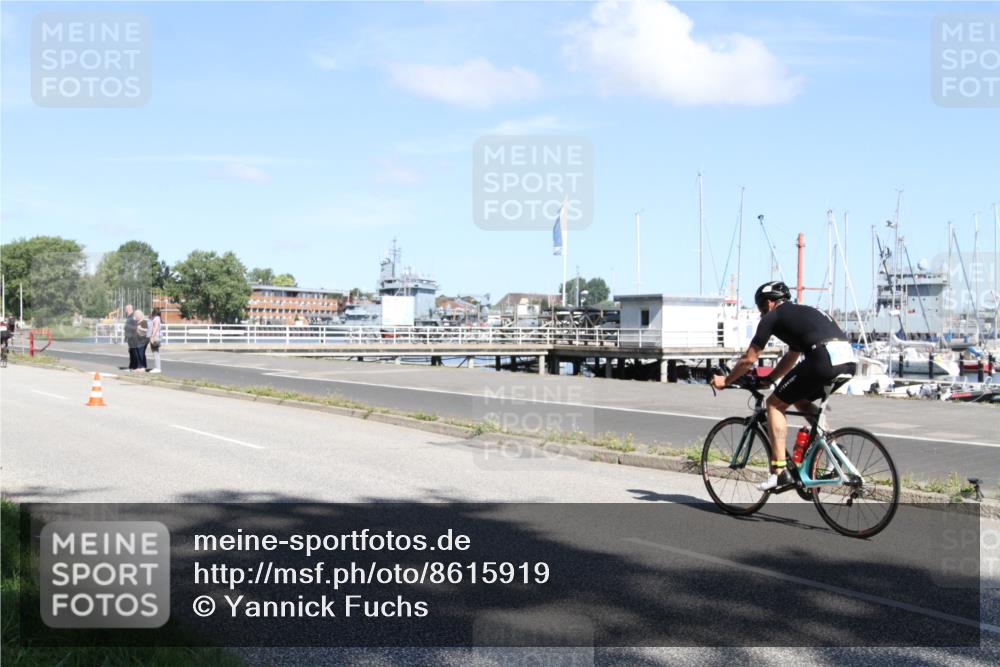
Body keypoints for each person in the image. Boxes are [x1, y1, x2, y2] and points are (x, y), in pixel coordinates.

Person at [710, 281, 857, 491]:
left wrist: (726, 380)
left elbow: (749, 359)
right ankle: (833, 447)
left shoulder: (774, 316)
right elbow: (792, 356)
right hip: (847, 360)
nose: (761, 314)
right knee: (799, 398)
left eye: (761, 308)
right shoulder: (805, 311)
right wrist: (769, 379)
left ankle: (779, 472)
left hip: (822, 358)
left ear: (769, 303)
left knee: (774, 405)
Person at [123, 304, 138, 371]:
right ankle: (131, 366)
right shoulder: (129, 316)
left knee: (133, 352)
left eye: (126, 308)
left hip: (133, 338)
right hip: (130, 337)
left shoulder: (133, 316)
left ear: (129, 309)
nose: (125, 310)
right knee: (131, 352)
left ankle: (134, 367)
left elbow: (135, 326)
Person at [148, 307, 162, 373]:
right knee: (155, 352)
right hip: (156, 336)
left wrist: (152, 337)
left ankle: (157, 368)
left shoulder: (156, 319)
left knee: (155, 352)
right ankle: (157, 367)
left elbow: (155, 328)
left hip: (155, 336)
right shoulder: (157, 318)